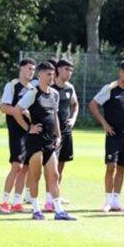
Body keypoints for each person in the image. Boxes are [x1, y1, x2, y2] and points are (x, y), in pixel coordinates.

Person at [13, 61, 77, 221]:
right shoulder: (33, 93)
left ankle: (59, 211)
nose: (51, 77)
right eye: (48, 74)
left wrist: (59, 135)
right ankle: (36, 210)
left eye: (53, 74)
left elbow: (54, 116)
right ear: (40, 75)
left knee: (54, 175)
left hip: (50, 141)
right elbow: (17, 111)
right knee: (36, 176)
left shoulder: (54, 94)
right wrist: (29, 128)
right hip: (35, 142)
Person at [89, 60, 124, 212]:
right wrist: (104, 123)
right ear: (120, 72)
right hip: (113, 134)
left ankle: (116, 202)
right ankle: (108, 202)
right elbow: (93, 105)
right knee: (111, 166)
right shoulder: (110, 89)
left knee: (122, 167)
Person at [0, 58, 36, 214]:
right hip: (17, 131)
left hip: (30, 132)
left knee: (25, 167)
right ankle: (4, 202)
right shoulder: (12, 85)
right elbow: (4, 108)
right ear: (21, 69)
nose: (31, 72)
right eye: (29, 68)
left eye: (33, 69)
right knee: (17, 166)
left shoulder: (33, 89)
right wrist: (20, 111)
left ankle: (16, 203)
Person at [45, 58, 78, 212]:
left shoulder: (70, 88)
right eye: (66, 69)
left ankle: (55, 196)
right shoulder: (50, 88)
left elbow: (75, 105)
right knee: (51, 168)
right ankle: (48, 200)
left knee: (61, 166)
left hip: (66, 132)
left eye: (71, 70)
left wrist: (73, 119)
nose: (69, 73)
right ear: (58, 69)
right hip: (51, 133)